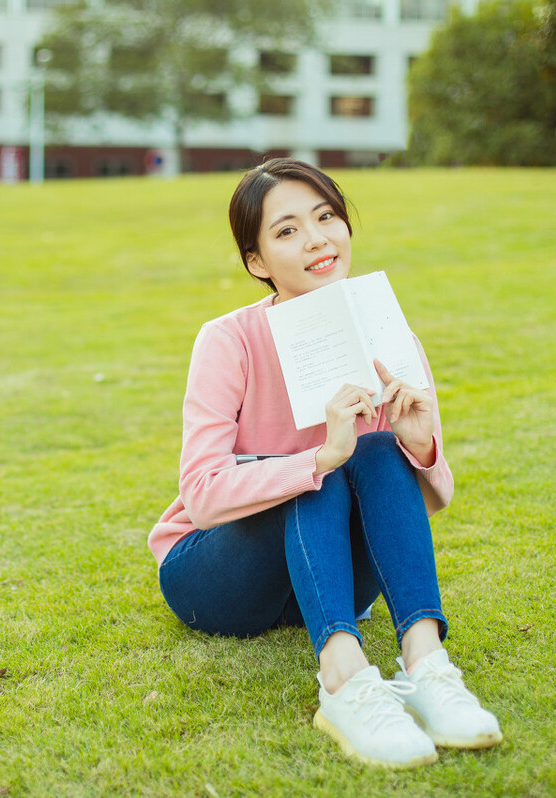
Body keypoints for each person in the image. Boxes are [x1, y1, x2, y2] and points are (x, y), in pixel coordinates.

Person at [147, 158, 502, 769]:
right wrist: (317, 457)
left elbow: (429, 500)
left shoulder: (389, 334)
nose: (316, 239)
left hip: (334, 570)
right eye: (286, 231)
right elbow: (202, 495)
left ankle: (427, 665)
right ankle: (343, 677)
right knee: (323, 470)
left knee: (378, 449)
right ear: (256, 261)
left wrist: (419, 446)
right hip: (220, 575)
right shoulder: (227, 340)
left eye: (326, 217)